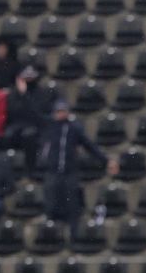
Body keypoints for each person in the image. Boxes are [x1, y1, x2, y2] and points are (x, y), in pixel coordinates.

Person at [35, 99, 116, 231]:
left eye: (63, 111)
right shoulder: (49, 127)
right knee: (50, 201)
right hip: (53, 170)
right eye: (58, 111)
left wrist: (106, 160)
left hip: (70, 171)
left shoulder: (74, 128)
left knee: (72, 203)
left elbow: (89, 145)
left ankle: (74, 234)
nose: (60, 114)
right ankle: (50, 233)